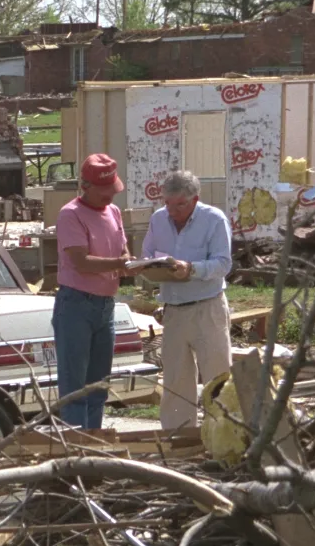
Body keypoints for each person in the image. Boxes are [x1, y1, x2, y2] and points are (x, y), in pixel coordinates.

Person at [140, 170, 234, 430]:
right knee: (175, 380)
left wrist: (191, 269)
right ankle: (178, 438)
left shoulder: (214, 219)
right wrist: (148, 267)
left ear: (195, 199)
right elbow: (147, 253)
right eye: (168, 203)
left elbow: (223, 263)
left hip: (207, 306)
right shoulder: (158, 220)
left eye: (180, 204)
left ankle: (223, 434)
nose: (173, 211)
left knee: (217, 377)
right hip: (173, 310)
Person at [53, 154, 132, 430]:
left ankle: (95, 446)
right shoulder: (70, 214)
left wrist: (131, 263)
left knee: (99, 385)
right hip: (76, 305)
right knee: (76, 388)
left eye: (113, 190)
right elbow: (81, 262)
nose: (110, 196)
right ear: (85, 186)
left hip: (105, 305)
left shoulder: (114, 212)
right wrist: (120, 264)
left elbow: (123, 249)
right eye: (104, 191)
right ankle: (77, 451)